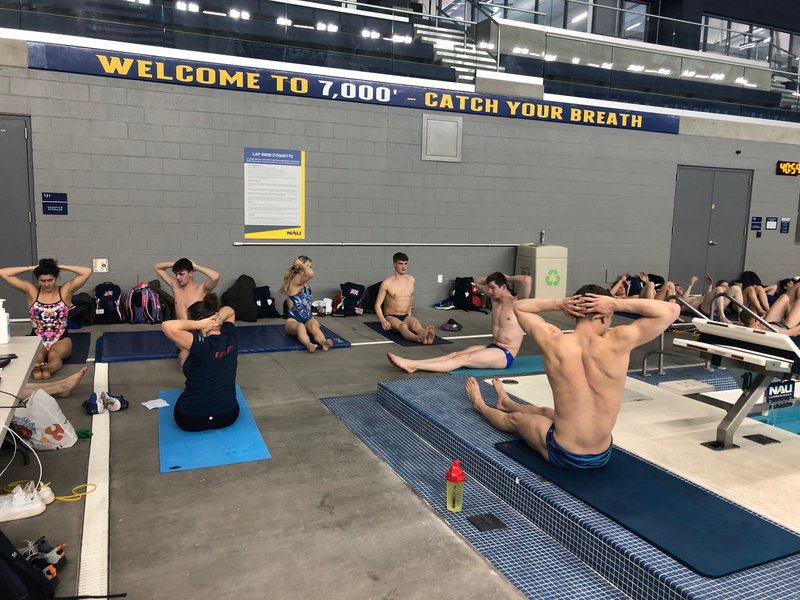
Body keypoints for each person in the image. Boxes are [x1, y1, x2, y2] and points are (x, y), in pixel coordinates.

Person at [466, 285, 679, 470]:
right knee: (547, 412)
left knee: (516, 421)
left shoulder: (554, 341)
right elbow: (672, 309)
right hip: (602, 454)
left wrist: (560, 303)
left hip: (564, 454)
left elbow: (520, 306)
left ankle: (481, 406)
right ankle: (506, 402)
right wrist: (616, 303)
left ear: (572, 313)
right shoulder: (619, 341)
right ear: (605, 314)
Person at [387, 272, 523, 373]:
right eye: (489, 288)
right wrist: (497, 279)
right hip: (494, 346)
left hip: (505, 354)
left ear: (504, 286)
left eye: (493, 288)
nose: (490, 291)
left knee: (461, 360)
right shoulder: (495, 300)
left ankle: (413, 365)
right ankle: (413, 364)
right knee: (454, 355)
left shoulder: (518, 302)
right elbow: (476, 280)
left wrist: (509, 278)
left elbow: (527, 280)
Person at [0, 259, 92, 380]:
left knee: (54, 354)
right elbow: (3, 273)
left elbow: (87, 271)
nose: (46, 284)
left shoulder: (65, 291)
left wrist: (59, 266)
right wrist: (31, 268)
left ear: (56, 278)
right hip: (37, 338)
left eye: (50, 280)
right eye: (42, 281)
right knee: (38, 357)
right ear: (38, 280)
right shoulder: (32, 291)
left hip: (61, 338)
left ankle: (49, 368)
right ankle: (38, 368)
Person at [161, 296, 239, 432]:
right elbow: (230, 311)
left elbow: (167, 326)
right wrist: (218, 318)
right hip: (229, 417)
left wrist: (200, 325)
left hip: (190, 420)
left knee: (184, 352)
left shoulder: (200, 345)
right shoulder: (231, 336)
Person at [153, 258, 220, 364]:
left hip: (200, 332)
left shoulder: (201, 289)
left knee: (208, 356)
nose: (178, 277)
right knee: (184, 357)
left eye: (181, 274)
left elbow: (215, 276)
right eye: (176, 274)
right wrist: (176, 264)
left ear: (191, 273)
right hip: (182, 333)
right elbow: (157, 266)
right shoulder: (175, 285)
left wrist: (196, 266)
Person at [374, 252, 435, 345]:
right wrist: (383, 321)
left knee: (416, 324)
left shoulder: (411, 280)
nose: (404, 267)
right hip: (391, 316)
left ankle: (425, 335)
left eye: (406, 263)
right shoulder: (387, 283)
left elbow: (411, 297)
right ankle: (418, 338)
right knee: (402, 327)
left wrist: (410, 314)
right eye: (400, 263)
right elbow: (377, 305)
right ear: (394, 264)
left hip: (406, 315)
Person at [281, 256, 332, 353]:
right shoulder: (295, 281)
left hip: (308, 318)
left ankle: (323, 343)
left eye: (311, 267)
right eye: (308, 266)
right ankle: (309, 344)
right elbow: (310, 273)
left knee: (314, 326)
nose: (310, 269)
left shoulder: (305, 283)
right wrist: (300, 264)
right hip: (293, 320)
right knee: (300, 326)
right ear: (301, 268)